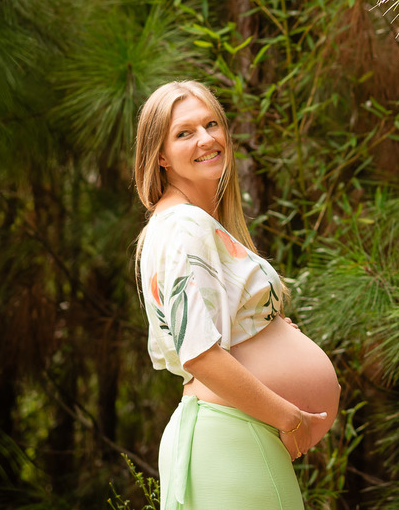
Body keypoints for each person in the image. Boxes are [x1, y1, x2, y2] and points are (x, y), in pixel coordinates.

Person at [134, 81, 340, 510]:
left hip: (231, 436)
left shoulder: (185, 223)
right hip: (231, 435)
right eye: (184, 132)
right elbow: (198, 354)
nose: (206, 139)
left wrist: (267, 330)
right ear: (160, 155)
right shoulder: (183, 224)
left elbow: (213, 328)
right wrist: (288, 417)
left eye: (212, 124)